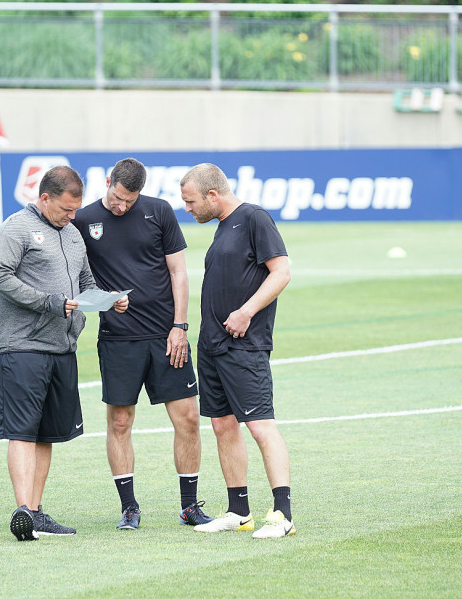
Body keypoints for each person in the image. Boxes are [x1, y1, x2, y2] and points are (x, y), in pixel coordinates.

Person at [0, 165, 128, 541]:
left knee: (48, 434)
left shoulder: (73, 234)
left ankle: (34, 511)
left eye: (75, 211)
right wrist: (47, 303)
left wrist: (105, 299)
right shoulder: (14, 229)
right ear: (45, 197)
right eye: (66, 210)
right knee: (22, 431)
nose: (71, 217)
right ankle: (22, 510)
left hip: (63, 347)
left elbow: (84, 281)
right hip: (23, 347)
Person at [72, 157, 212, 530]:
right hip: (118, 339)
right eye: (118, 198)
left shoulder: (159, 212)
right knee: (120, 421)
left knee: (189, 418)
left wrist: (180, 326)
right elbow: (76, 277)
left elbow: (178, 272)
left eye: (130, 202)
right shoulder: (84, 221)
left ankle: (189, 507)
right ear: (107, 182)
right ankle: (129, 507)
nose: (122, 206)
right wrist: (100, 298)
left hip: (167, 336)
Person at [180, 163, 295, 539]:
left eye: (191, 201)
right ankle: (238, 510)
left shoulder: (254, 218)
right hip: (212, 346)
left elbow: (281, 272)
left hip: (244, 346)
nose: (188, 208)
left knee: (260, 425)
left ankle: (283, 514)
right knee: (222, 425)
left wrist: (246, 311)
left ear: (213, 195)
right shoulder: (222, 228)